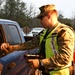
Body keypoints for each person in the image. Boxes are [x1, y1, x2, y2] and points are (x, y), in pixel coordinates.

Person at [0, 4, 75, 75]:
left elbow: (65, 58)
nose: (40, 21)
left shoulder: (64, 32)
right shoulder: (45, 32)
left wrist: (41, 63)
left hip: (59, 72)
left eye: (41, 18)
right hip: (46, 71)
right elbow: (31, 44)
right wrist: (12, 48)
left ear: (49, 16)